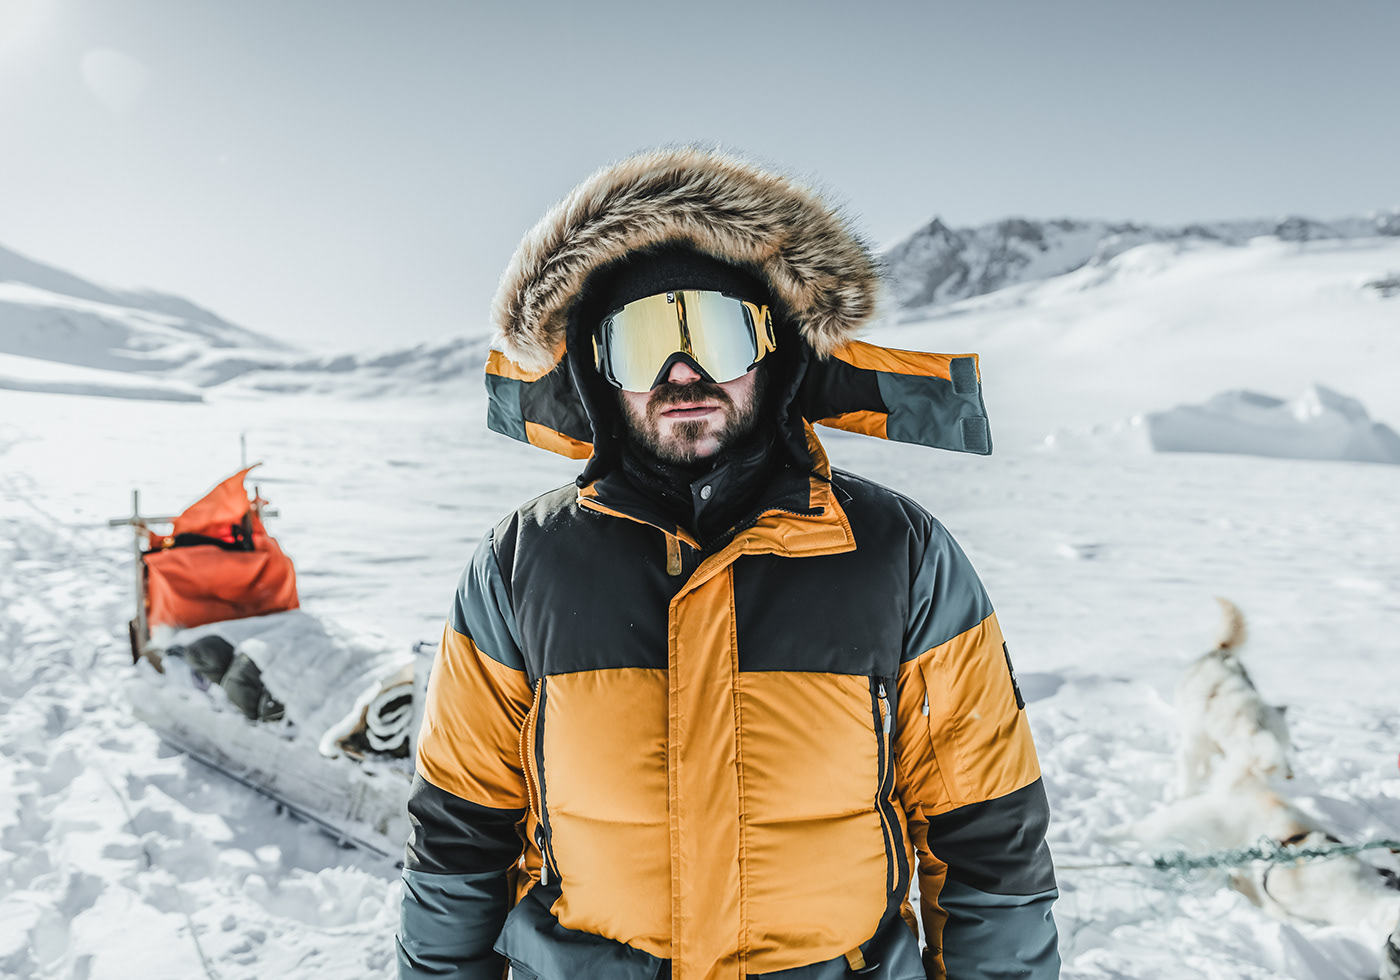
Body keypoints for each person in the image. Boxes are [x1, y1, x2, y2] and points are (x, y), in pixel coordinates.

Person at [398, 148, 1059, 980]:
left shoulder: (897, 554)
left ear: (773, 351)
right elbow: (461, 833)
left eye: (716, 331)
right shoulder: (521, 565)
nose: (685, 374)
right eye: (644, 343)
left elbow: (988, 838)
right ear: (595, 371)